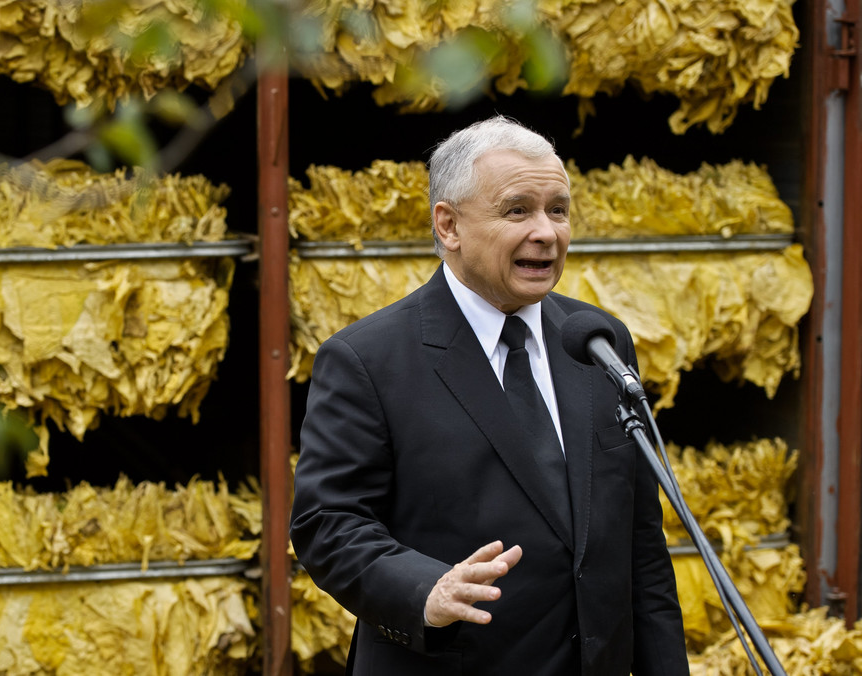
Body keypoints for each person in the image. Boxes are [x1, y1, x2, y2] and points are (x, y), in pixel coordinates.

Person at [289, 115, 688, 675]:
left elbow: (640, 543)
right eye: (517, 210)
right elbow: (327, 523)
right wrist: (424, 589)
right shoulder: (367, 359)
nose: (547, 232)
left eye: (559, 209)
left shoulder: (598, 340)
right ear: (448, 226)